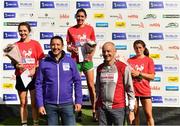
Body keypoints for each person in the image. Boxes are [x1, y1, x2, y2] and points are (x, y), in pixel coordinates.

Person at [35, 36, 82, 125]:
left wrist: (78, 101)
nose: (55, 47)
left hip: (67, 104)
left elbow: (77, 82)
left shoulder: (70, 61)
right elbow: (38, 84)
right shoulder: (44, 62)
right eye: (53, 45)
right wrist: (40, 104)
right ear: (50, 46)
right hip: (50, 105)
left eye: (58, 44)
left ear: (62, 46)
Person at [66, 8, 97, 121]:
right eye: (78, 16)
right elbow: (68, 46)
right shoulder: (71, 30)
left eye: (82, 16)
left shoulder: (90, 29)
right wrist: (71, 50)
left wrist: (91, 55)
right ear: (75, 17)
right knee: (77, 85)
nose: (80, 18)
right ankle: (78, 110)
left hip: (87, 61)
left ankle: (94, 111)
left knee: (91, 85)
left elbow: (94, 45)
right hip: (76, 61)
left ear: (85, 17)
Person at [95, 42, 135, 125]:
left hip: (118, 109)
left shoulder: (123, 67)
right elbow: (98, 90)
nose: (106, 54)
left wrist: (131, 111)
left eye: (109, 51)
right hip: (102, 109)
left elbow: (130, 90)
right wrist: (96, 108)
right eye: (104, 51)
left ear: (115, 52)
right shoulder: (99, 68)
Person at [13, 22, 45, 126]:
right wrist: (16, 65)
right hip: (21, 76)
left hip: (34, 77)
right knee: (23, 103)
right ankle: (24, 124)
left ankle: (36, 123)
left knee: (34, 103)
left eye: (24, 30)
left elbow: (41, 60)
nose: (22, 33)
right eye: (20, 31)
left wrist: (35, 70)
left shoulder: (35, 44)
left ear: (29, 31)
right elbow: (13, 62)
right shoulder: (15, 45)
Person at [127, 40, 155, 125]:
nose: (138, 50)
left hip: (144, 90)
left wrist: (139, 73)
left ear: (144, 48)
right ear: (134, 49)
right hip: (133, 91)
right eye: (136, 48)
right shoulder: (129, 60)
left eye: (140, 47)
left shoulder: (149, 60)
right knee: (135, 115)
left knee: (148, 115)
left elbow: (152, 76)